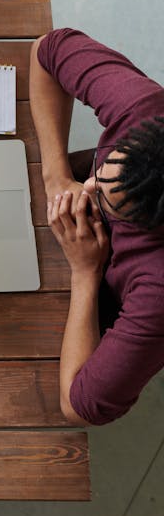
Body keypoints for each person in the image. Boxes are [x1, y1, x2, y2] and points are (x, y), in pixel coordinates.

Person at [30, 28, 164, 426]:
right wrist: (56, 177)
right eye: (101, 172)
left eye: (106, 200)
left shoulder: (157, 290)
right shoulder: (145, 108)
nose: (88, 187)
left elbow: (79, 406)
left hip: (96, 280)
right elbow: (47, 48)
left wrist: (86, 272)